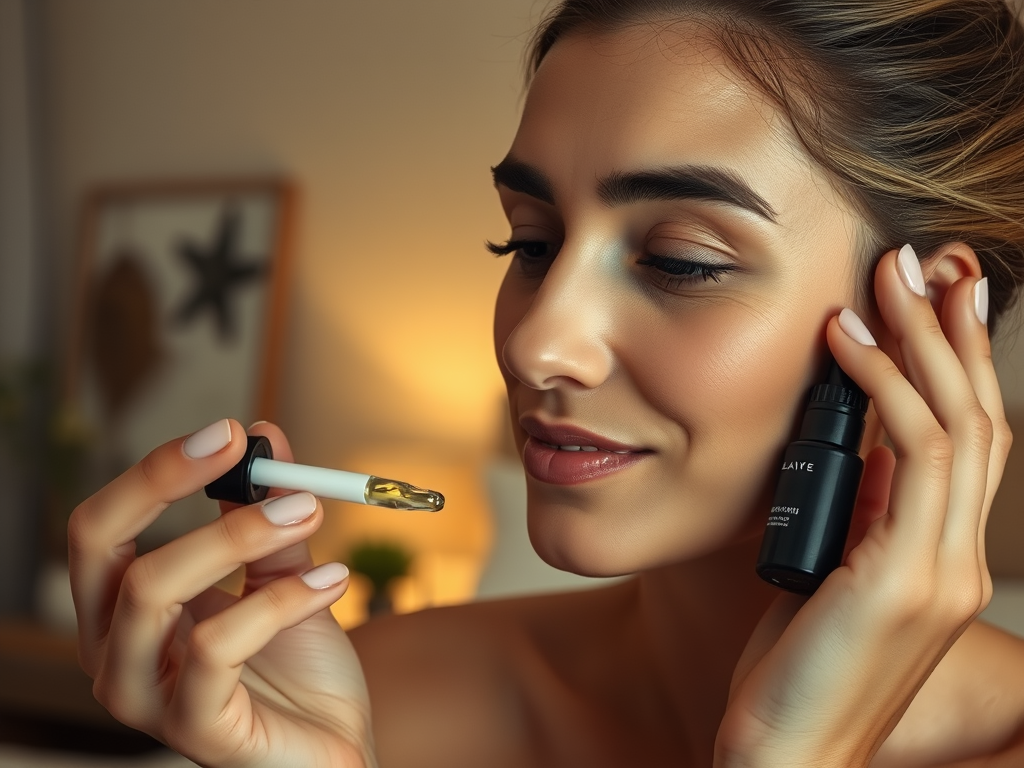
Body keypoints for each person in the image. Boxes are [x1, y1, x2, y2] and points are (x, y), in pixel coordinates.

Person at [68, 1, 1024, 765]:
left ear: (923, 321)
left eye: (681, 260)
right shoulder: (380, 699)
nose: (535, 346)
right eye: (529, 242)